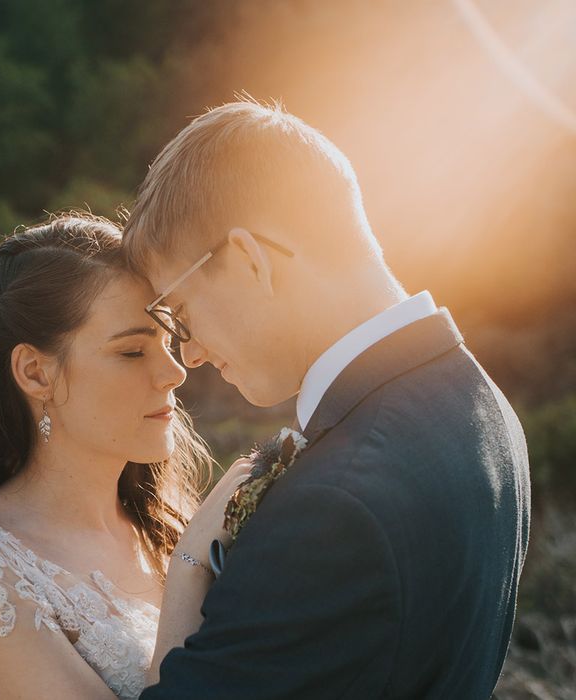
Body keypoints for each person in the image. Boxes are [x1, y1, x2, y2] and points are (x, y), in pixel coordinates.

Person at [122, 99, 532, 699]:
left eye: (179, 314)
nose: (191, 355)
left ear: (249, 260)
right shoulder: (485, 407)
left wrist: (188, 569)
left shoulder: (332, 509)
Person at [0, 213, 252, 700]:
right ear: (36, 373)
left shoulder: (168, 524)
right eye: (132, 351)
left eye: (168, 343)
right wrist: (191, 566)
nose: (174, 373)